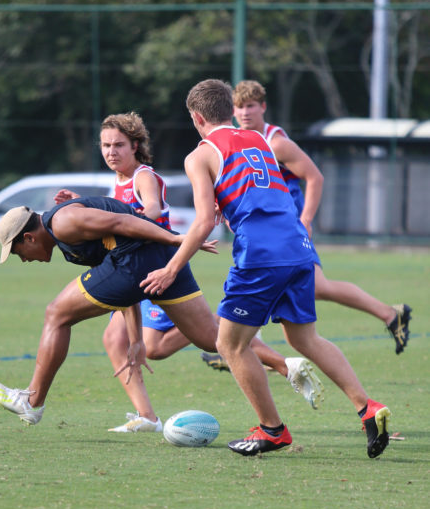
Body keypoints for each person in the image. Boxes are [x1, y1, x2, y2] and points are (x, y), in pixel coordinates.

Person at [140, 79, 391, 459]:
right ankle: (367, 408)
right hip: (298, 248)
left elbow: (204, 220)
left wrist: (172, 267)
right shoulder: (260, 140)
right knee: (304, 339)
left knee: (229, 344)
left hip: (261, 256)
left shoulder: (200, 155)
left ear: (196, 117)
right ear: (230, 108)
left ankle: (272, 430)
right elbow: (258, 190)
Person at [55, 111, 324, 433]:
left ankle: (279, 361)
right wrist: (84, 204)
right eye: (105, 145)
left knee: (202, 341)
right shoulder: (119, 183)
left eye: (118, 145)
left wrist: (111, 214)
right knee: (123, 340)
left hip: (159, 268)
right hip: (135, 269)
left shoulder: (143, 176)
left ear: (135, 146)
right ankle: (147, 416)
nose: (111, 151)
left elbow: (151, 211)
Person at [0, 195, 222, 425]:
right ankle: (238, 323)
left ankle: (31, 400)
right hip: (161, 259)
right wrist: (136, 339)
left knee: (56, 314)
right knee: (213, 340)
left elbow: (123, 222)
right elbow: (121, 291)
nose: (23, 260)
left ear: (29, 238)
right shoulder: (65, 237)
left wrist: (176, 239)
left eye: (17, 253)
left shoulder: (63, 222)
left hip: (144, 258)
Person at [232, 80, 412, 355]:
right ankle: (389, 314)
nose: (245, 113)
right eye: (239, 107)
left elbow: (314, 177)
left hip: (287, 229)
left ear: (263, 107)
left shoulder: (276, 143)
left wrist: (305, 220)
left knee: (292, 283)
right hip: (268, 230)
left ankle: (240, 347)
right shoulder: (239, 140)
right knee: (306, 286)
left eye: (251, 106)